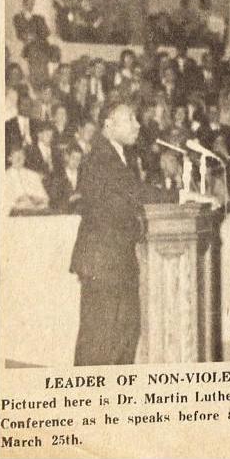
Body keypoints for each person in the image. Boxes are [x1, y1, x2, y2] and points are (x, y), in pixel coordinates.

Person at [70, 102, 164, 366]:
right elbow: (135, 192)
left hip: (116, 260)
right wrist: (181, 196)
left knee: (122, 340)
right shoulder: (101, 156)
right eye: (130, 119)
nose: (137, 124)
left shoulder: (121, 155)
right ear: (108, 125)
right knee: (99, 345)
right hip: (103, 262)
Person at [3, 143, 50, 215]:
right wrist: (18, 200)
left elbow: (45, 198)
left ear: (25, 158)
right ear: (9, 158)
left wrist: (36, 199)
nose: (19, 158)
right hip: (17, 212)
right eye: (15, 155)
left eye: (21, 155)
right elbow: (3, 202)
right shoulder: (4, 176)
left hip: (37, 211)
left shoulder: (33, 175)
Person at [47, 142, 83, 213]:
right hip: (63, 213)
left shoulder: (83, 175)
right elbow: (52, 200)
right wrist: (68, 199)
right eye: (73, 158)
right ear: (67, 157)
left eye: (78, 159)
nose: (75, 162)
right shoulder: (57, 175)